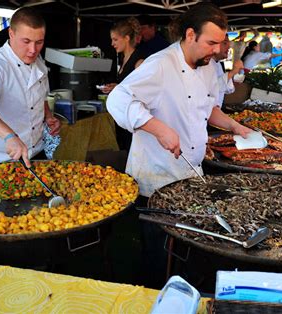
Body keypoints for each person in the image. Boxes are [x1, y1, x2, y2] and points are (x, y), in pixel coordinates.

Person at [107, 3, 251, 198]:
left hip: (192, 172)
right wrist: (160, 129)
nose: (217, 50)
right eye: (211, 43)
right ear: (191, 35)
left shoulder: (207, 66)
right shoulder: (160, 64)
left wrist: (235, 126)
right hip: (157, 179)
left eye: (220, 42)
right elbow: (117, 99)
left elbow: (207, 107)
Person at [0, 7, 60, 167]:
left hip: (36, 152)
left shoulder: (38, 62)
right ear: (11, 34)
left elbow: (39, 96)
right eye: (26, 41)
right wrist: (9, 136)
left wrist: (48, 116)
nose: (33, 50)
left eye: (39, 42)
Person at [100, 17, 146, 151]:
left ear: (126, 38)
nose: (112, 44)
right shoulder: (124, 58)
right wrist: (116, 87)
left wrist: (119, 88)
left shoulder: (139, 61)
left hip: (133, 121)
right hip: (123, 119)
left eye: (115, 39)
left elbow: (144, 93)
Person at [212, 33, 244, 106]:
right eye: (225, 43)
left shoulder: (218, 64)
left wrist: (232, 75)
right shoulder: (205, 65)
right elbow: (212, 88)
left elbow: (228, 89)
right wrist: (232, 72)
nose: (229, 47)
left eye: (229, 43)